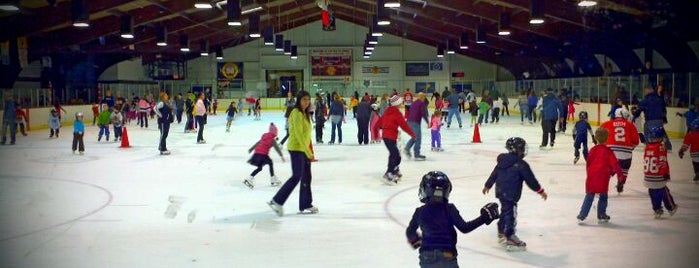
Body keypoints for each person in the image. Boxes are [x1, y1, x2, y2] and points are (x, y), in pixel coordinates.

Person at [406, 171, 500, 268]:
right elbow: (464, 228)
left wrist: (415, 240)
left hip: (427, 257)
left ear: (426, 190)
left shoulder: (420, 211)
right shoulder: (449, 209)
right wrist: (485, 217)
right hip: (447, 255)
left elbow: (410, 230)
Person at [482, 137, 547, 251]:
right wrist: (540, 190)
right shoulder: (521, 164)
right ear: (517, 150)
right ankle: (510, 236)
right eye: (522, 149)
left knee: (505, 211)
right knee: (511, 214)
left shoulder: (502, 161)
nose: (523, 151)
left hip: (501, 191)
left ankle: (501, 229)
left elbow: (494, 174)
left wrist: (488, 185)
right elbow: (530, 180)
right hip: (511, 193)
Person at [268, 91, 317, 216]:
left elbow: (306, 134)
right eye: (304, 99)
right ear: (299, 100)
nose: (306, 102)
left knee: (306, 176)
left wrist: (307, 149)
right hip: (296, 148)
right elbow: (298, 134)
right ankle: (276, 201)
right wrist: (307, 151)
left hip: (303, 148)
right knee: (296, 176)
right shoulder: (296, 113)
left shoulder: (305, 113)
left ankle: (305, 204)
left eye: (308, 99)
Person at [576, 128, 625, 224]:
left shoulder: (593, 150)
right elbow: (615, 164)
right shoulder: (608, 151)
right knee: (603, 196)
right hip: (603, 177)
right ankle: (601, 214)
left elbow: (588, 163)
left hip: (592, 177)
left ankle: (582, 215)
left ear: (596, 138)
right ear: (607, 139)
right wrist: (619, 176)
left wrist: (589, 174)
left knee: (589, 196)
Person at [377, 95, 416, 184]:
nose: (402, 103)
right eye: (400, 102)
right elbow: (404, 126)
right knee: (395, 155)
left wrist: (378, 128)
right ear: (397, 103)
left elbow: (380, 122)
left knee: (395, 154)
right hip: (389, 137)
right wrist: (412, 134)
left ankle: (394, 169)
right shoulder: (397, 113)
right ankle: (389, 172)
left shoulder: (387, 111)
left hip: (387, 137)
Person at [643, 126, 678, 219]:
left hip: (648, 175)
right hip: (658, 175)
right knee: (663, 191)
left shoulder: (647, 147)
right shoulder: (661, 147)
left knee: (652, 192)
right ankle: (671, 207)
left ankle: (657, 209)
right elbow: (662, 161)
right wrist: (665, 173)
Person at [600, 108, 640, 180]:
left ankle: (606, 176)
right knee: (624, 168)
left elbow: (599, 137)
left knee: (608, 167)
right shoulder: (630, 125)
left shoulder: (606, 124)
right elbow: (636, 142)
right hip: (626, 155)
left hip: (610, 153)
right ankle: (622, 179)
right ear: (624, 115)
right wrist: (629, 149)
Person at [244, 123, 284, 188]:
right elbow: (277, 148)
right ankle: (273, 179)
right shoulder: (272, 140)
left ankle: (249, 178)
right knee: (270, 163)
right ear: (275, 132)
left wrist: (251, 149)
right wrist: (281, 156)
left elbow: (258, 143)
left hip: (257, 153)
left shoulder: (264, 136)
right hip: (263, 154)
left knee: (260, 167)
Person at [639, 86, 672, 151]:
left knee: (648, 130)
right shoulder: (659, 98)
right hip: (659, 119)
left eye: (645, 91)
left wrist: (636, 109)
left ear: (649, 91)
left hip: (651, 119)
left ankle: (649, 145)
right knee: (661, 131)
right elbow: (663, 107)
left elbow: (641, 106)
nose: (644, 92)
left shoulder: (648, 98)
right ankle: (668, 146)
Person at [405, 92, 430, 160]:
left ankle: (407, 148)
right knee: (418, 138)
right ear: (422, 97)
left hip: (409, 121)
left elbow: (410, 111)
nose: (424, 98)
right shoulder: (421, 103)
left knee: (415, 137)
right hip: (415, 122)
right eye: (424, 97)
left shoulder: (414, 102)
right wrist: (428, 122)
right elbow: (423, 113)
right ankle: (416, 154)